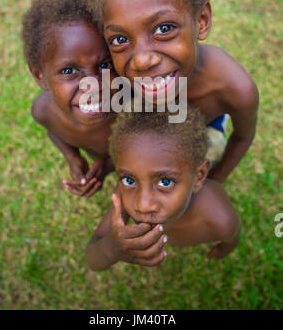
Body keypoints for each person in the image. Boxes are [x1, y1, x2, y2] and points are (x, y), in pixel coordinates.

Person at [86, 0, 259, 184]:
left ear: (201, 20)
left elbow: (243, 136)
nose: (143, 60)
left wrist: (216, 182)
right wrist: (109, 162)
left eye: (164, 29)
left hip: (204, 131)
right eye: (120, 39)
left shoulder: (235, 88)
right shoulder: (118, 82)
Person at [85, 106, 241, 270]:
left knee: (213, 147)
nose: (143, 205)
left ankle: (218, 121)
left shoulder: (221, 218)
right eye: (129, 180)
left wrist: (224, 250)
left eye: (165, 182)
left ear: (199, 177)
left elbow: (232, 238)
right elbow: (92, 257)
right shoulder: (125, 196)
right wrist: (110, 248)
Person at [21, 0, 116, 197]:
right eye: (69, 70)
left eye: (104, 65)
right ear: (39, 76)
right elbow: (54, 131)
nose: (93, 85)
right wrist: (73, 158)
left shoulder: (135, 108)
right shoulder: (43, 111)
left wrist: (109, 166)